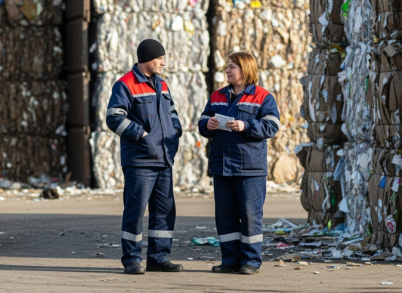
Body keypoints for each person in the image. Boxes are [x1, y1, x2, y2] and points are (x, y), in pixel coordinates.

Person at [105, 39, 184, 275]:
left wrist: (175, 131)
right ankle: (131, 259)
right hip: (140, 160)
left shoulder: (163, 84)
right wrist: (141, 134)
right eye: (160, 58)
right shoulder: (125, 84)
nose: (163, 62)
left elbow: (172, 113)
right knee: (135, 210)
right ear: (148, 59)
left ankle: (158, 257)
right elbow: (114, 118)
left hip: (163, 158)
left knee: (164, 211)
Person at [198, 52, 280, 275]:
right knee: (225, 216)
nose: (227, 70)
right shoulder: (217, 96)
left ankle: (251, 261)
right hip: (222, 165)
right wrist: (209, 124)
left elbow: (271, 126)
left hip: (249, 168)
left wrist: (246, 127)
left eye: (232, 67)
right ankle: (230, 260)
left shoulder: (263, 97)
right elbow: (202, 121)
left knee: (250, 215)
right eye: (227, 66)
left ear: (245, 70)